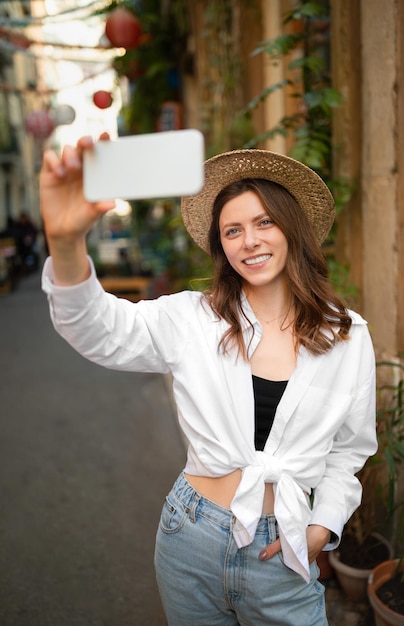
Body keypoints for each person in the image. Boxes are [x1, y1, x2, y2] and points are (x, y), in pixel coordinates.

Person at [39, 135, 377, 626]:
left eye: (264, 222)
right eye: (232, 230)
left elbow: (349, 451)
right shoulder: (192, 319)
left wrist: (322, 527)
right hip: (189, 538)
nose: (250, 240)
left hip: (284, 545)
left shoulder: (347, 335)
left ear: (292, 229)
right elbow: (97, 329)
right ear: (221, 244)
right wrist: (67, 242)